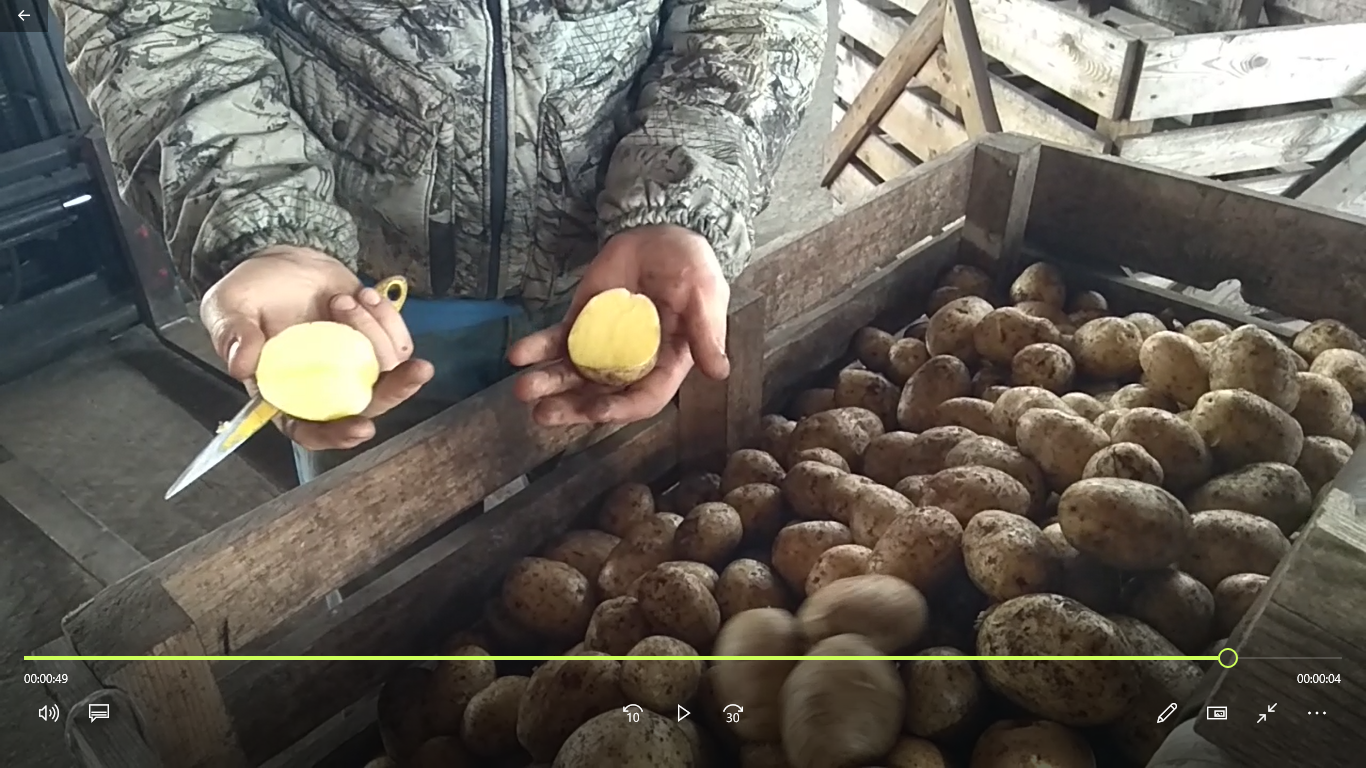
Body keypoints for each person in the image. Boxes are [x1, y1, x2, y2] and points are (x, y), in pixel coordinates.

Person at [55, 0, 827, 484]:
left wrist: (681, 197)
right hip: (351, 312)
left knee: (607, 552)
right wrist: (259, 223)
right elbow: (150, 19)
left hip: (618, 279)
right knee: (404, 612)